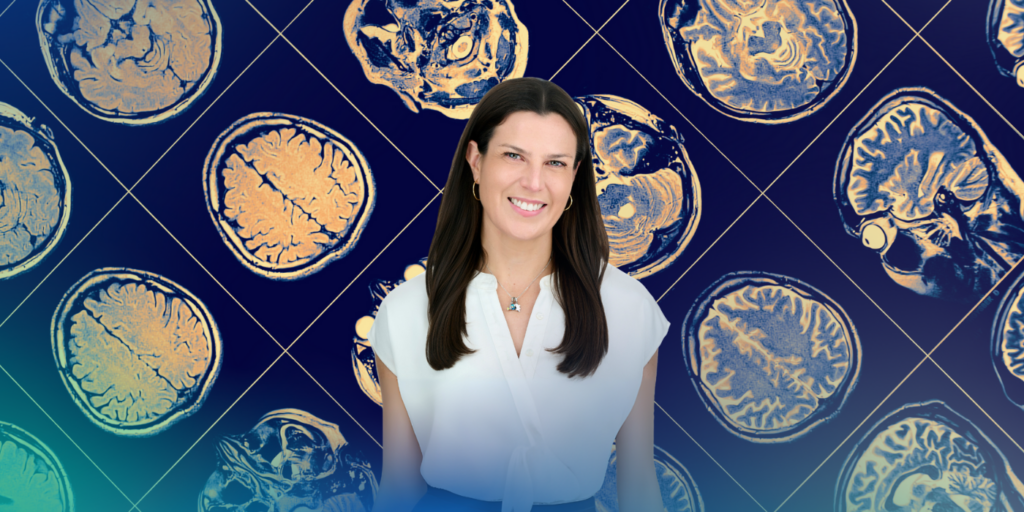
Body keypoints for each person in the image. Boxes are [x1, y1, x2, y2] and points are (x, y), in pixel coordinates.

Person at [369, 77, 670, 512]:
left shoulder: (629, 310)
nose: (533, 182)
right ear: (476, 162)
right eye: (514, 156)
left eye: (555, 163)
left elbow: (638, 488)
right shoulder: (406, 311)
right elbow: (399, 487)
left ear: (574, 177)